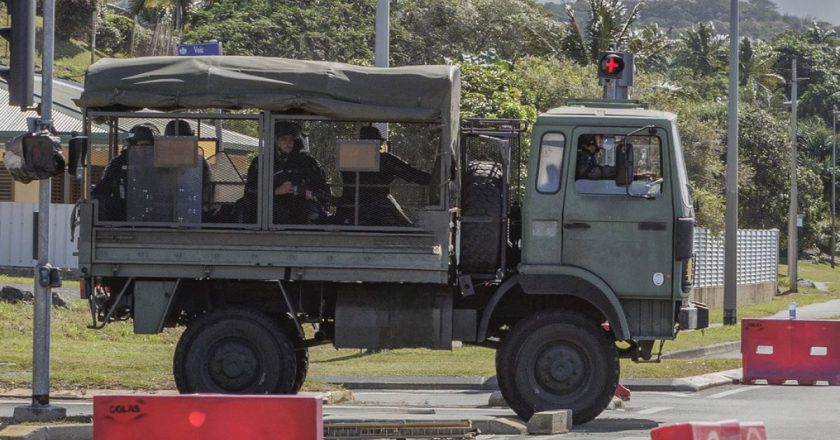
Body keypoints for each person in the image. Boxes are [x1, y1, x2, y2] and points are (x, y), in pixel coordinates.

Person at [337, 126, 431, 227]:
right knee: (409, 231)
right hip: (379, 212)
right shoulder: (384, 160)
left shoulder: (349, 160)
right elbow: (412, 174)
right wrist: (435, 179)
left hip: (349, 212)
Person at [241, 121, 329, 224]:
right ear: (275, 141)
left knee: (313, 213)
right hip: (270, 211)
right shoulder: (261, 162)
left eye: (291, 139)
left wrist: (313, 194)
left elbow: (321, 185)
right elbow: (250, 190)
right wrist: (275, 191)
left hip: (299, 208)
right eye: (283, 139)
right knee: (243, 206)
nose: (288, 143)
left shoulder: (307, 162)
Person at [91, 124, 157, 221]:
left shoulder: (158, 163)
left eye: (149, 145)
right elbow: (102, 189)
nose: (146, 150)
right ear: (132, 145)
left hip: (153, 219)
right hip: (122, 221)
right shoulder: (118, 163)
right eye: (142, 145)